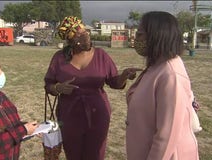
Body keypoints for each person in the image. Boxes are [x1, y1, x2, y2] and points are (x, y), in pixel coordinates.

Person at [44, 16, 142, 160]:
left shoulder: (101, 55)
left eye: (86, 32)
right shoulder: (59, 58)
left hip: (98, 115)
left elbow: (114, 82)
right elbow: (48, 85)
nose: (86, 36)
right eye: (80, 34)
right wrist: (58, 88)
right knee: (73, 154)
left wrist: (124, 76)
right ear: (71, 40)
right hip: (69, 116)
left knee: (96, 154)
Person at [125, 11, 199, 160]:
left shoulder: (170, 74)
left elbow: (167, 134)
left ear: (156, 36)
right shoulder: (157, 65)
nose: (135, 39)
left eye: (140, 35)